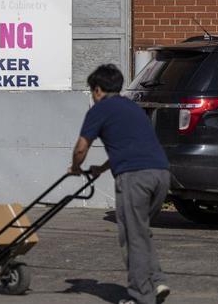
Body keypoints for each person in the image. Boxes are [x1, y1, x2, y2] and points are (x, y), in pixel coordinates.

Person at [69, 64, 171, 304]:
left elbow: (81, 148)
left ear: (97, 90)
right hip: (161, 174)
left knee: (132, 236)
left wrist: (75, 167)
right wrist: (101, 169)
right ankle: (156, 281)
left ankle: (141, 296)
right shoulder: (132, 107)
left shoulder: (99, 109)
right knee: (140, 231)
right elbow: (131, 146)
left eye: (92, 92)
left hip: (134, 178)